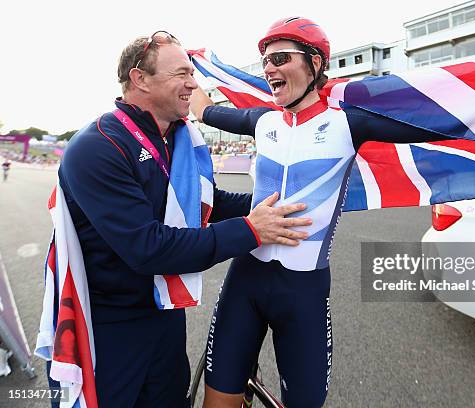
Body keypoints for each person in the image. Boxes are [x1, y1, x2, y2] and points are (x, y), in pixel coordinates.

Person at [190, 17, 453, 408]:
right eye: (264, 60)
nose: (268, 68)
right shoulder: (262, 121)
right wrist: (187, 64)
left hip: (303, 292)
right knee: (218, 402)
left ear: (315, 64)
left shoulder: (348, 124)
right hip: (245, 280)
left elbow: (447, 122)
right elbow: (203, 109)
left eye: (280, 57)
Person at [56, 31, 311, 407]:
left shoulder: (178, 136)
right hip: (109, 324)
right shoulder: (97, 146)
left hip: (165, 315)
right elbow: (148, 248)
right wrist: (252, 230)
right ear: (140, 78)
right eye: (181, 74)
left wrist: (283, 201)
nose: (193, 83)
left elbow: (210, 202)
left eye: (192, 73)